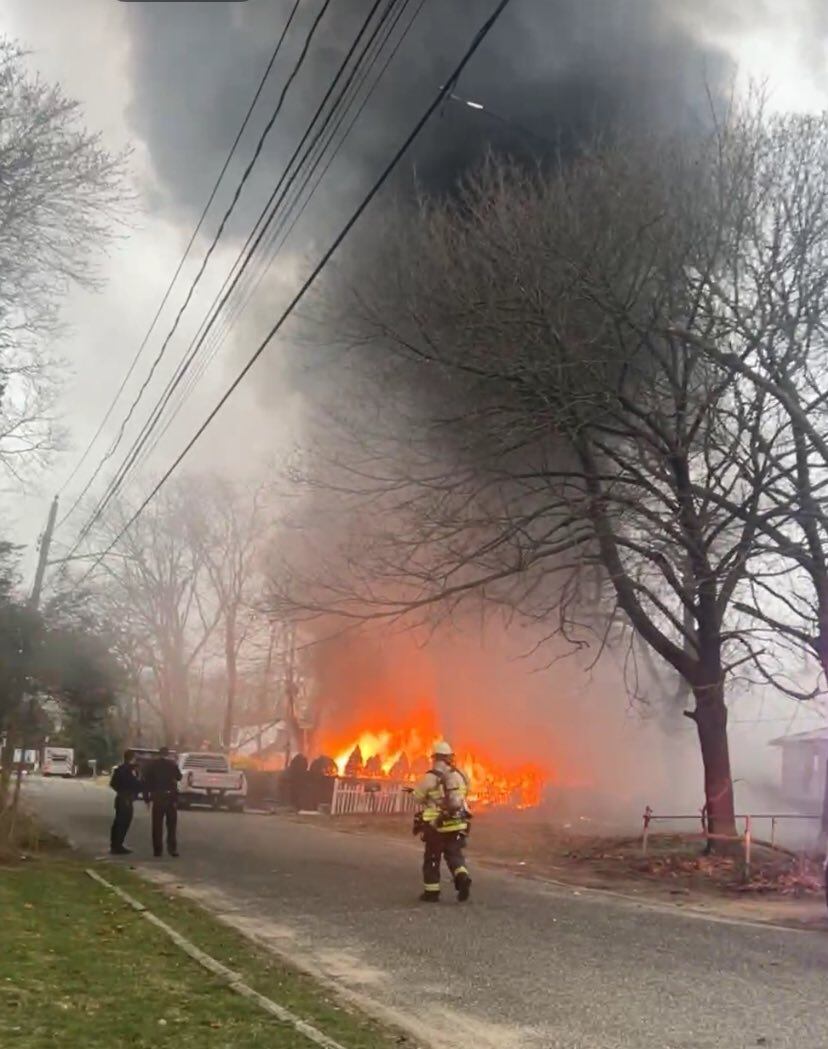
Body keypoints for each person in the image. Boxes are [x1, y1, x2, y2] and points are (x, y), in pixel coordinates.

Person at [413, 741, 472, 903]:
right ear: (449, 757)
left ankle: (432, 893)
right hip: (457, 823)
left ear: (434, 757)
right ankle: (462, 876)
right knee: (454, 855)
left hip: (436, 826)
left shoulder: (430, 777)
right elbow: (466, 792)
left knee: (432, 858)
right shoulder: (460, 775)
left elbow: (417, 796)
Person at [143, 746, 182, 858]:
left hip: (157, 797)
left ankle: (157, 850)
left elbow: (146, 782)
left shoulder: (152, 765)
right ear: (168, 754)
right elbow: (179, 777)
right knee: (171, 825)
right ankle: (172, 848)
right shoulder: (172, 764)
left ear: (158, 754)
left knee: (157, 825)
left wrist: (147, 798)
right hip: (170, 797)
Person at [109, 749, 142, 855]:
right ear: (132, 758)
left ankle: (114, 844)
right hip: (126, 799)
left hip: (120, 797)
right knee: (124, 822)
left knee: (117, 822)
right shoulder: (131, 770)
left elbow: (112, 783)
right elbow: (135, 784)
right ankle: (118, 846)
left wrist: (120, 790)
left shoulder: (119, 769)